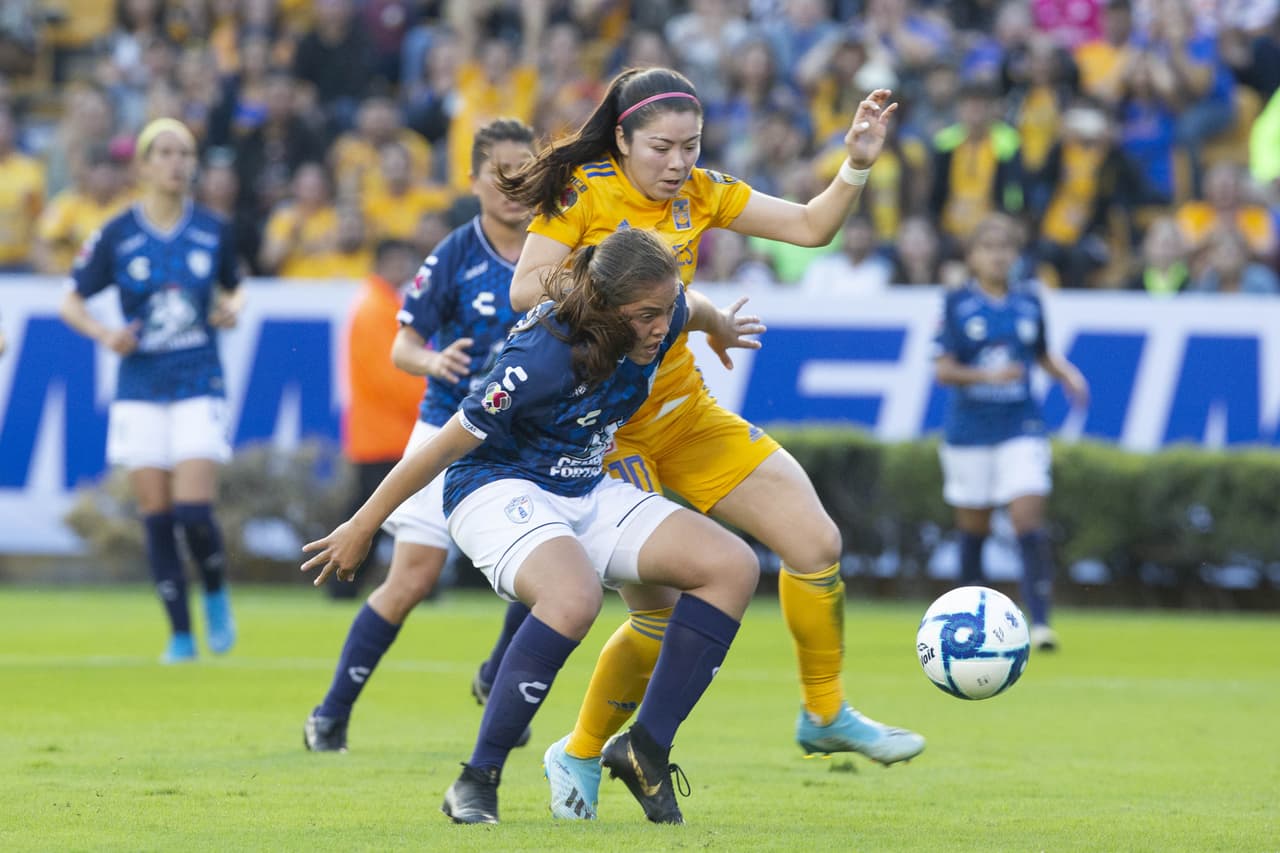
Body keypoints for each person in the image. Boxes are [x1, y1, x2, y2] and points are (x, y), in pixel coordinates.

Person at [498, 67, 925, 821]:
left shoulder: (701, 190)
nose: (676, 163)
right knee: (659, 615)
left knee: (816, 542)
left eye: (689, 147)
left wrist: (855, 162)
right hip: (605, 432)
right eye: (660, 147)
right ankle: (580, 746)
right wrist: (644, 292)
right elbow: (526, 290)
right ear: (623, 139)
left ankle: (824, 716)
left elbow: (810, 227)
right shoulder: (585, 194)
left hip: (688, 416)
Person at [302, 228, 765, 825]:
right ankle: (477, 779)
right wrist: (362, 525)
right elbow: (444, 447)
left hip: (583, 482)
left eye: (665, 308)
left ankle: (644, 748)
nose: (661, 326)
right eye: (647, 315)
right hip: (494, 485)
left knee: (733, 567)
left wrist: (717, 321)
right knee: (572, 598)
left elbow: (689, 308)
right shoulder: (542, 356)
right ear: (604, 306)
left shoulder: (666, 309)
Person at [304, 119, 541, 752]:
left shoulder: (561, 245)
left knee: (556, 565)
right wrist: (433, 361)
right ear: (473, 179)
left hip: (527, 439)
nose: (516, 184)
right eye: (502, 172)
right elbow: (404, 343)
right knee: (410, 579)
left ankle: (497, 673)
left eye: (527, 170)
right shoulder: (456, 253)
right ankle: (331, 713)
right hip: (449, 428)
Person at [58, 118, 242, 663]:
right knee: (155, 514)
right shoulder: (117, 234)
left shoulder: (213, 228)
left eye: (184, 152)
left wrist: (234, 308)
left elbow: (237, 286)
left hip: (198, 378)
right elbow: (71, 300)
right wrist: (104, 333)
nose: (175, 161)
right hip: (139, 384)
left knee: (192, 510)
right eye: (163, 152)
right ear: (142, 165)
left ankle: (213, 591)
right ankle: (180, 634)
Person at [932, 213, 1090, 653]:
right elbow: (943, 369)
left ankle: (1040, 623)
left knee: (1027, 516)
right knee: (973, 527)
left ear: (1014, 254)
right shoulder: (956, 303)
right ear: (972, 256)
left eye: (1005, 247)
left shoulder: (1029, 301)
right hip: (969, 431)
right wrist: (988, 377)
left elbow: (1040, 353)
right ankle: (966, 624)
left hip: (1021, 425)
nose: (997, 255)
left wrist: (1067, 374)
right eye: (988, 247)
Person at [326, 237, 423, 604]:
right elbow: (391, 378)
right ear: (385, 263)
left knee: (374, 513)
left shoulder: (380, 306)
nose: (408, 271)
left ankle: (342, 582)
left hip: (381, 432)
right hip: (384, 433)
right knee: (373, 515)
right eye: (402, 262)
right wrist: (433, 400)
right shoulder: (375, 309)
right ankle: (340, 580)